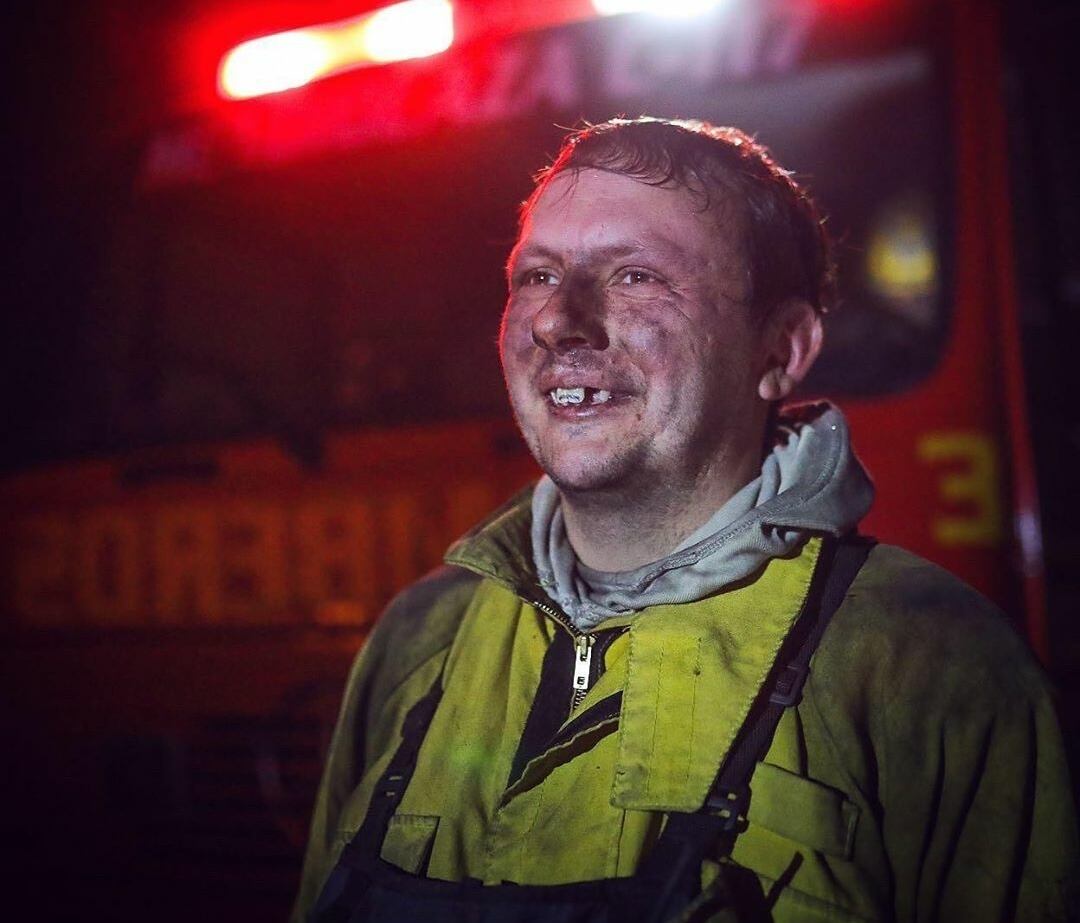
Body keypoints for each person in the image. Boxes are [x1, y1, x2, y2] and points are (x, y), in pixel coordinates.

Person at [290, 118, 1078, 922]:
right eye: (536, 275)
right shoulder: (422, 637)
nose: (559, 321)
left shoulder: (929, 663)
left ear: (782, 348)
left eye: (635, 276)